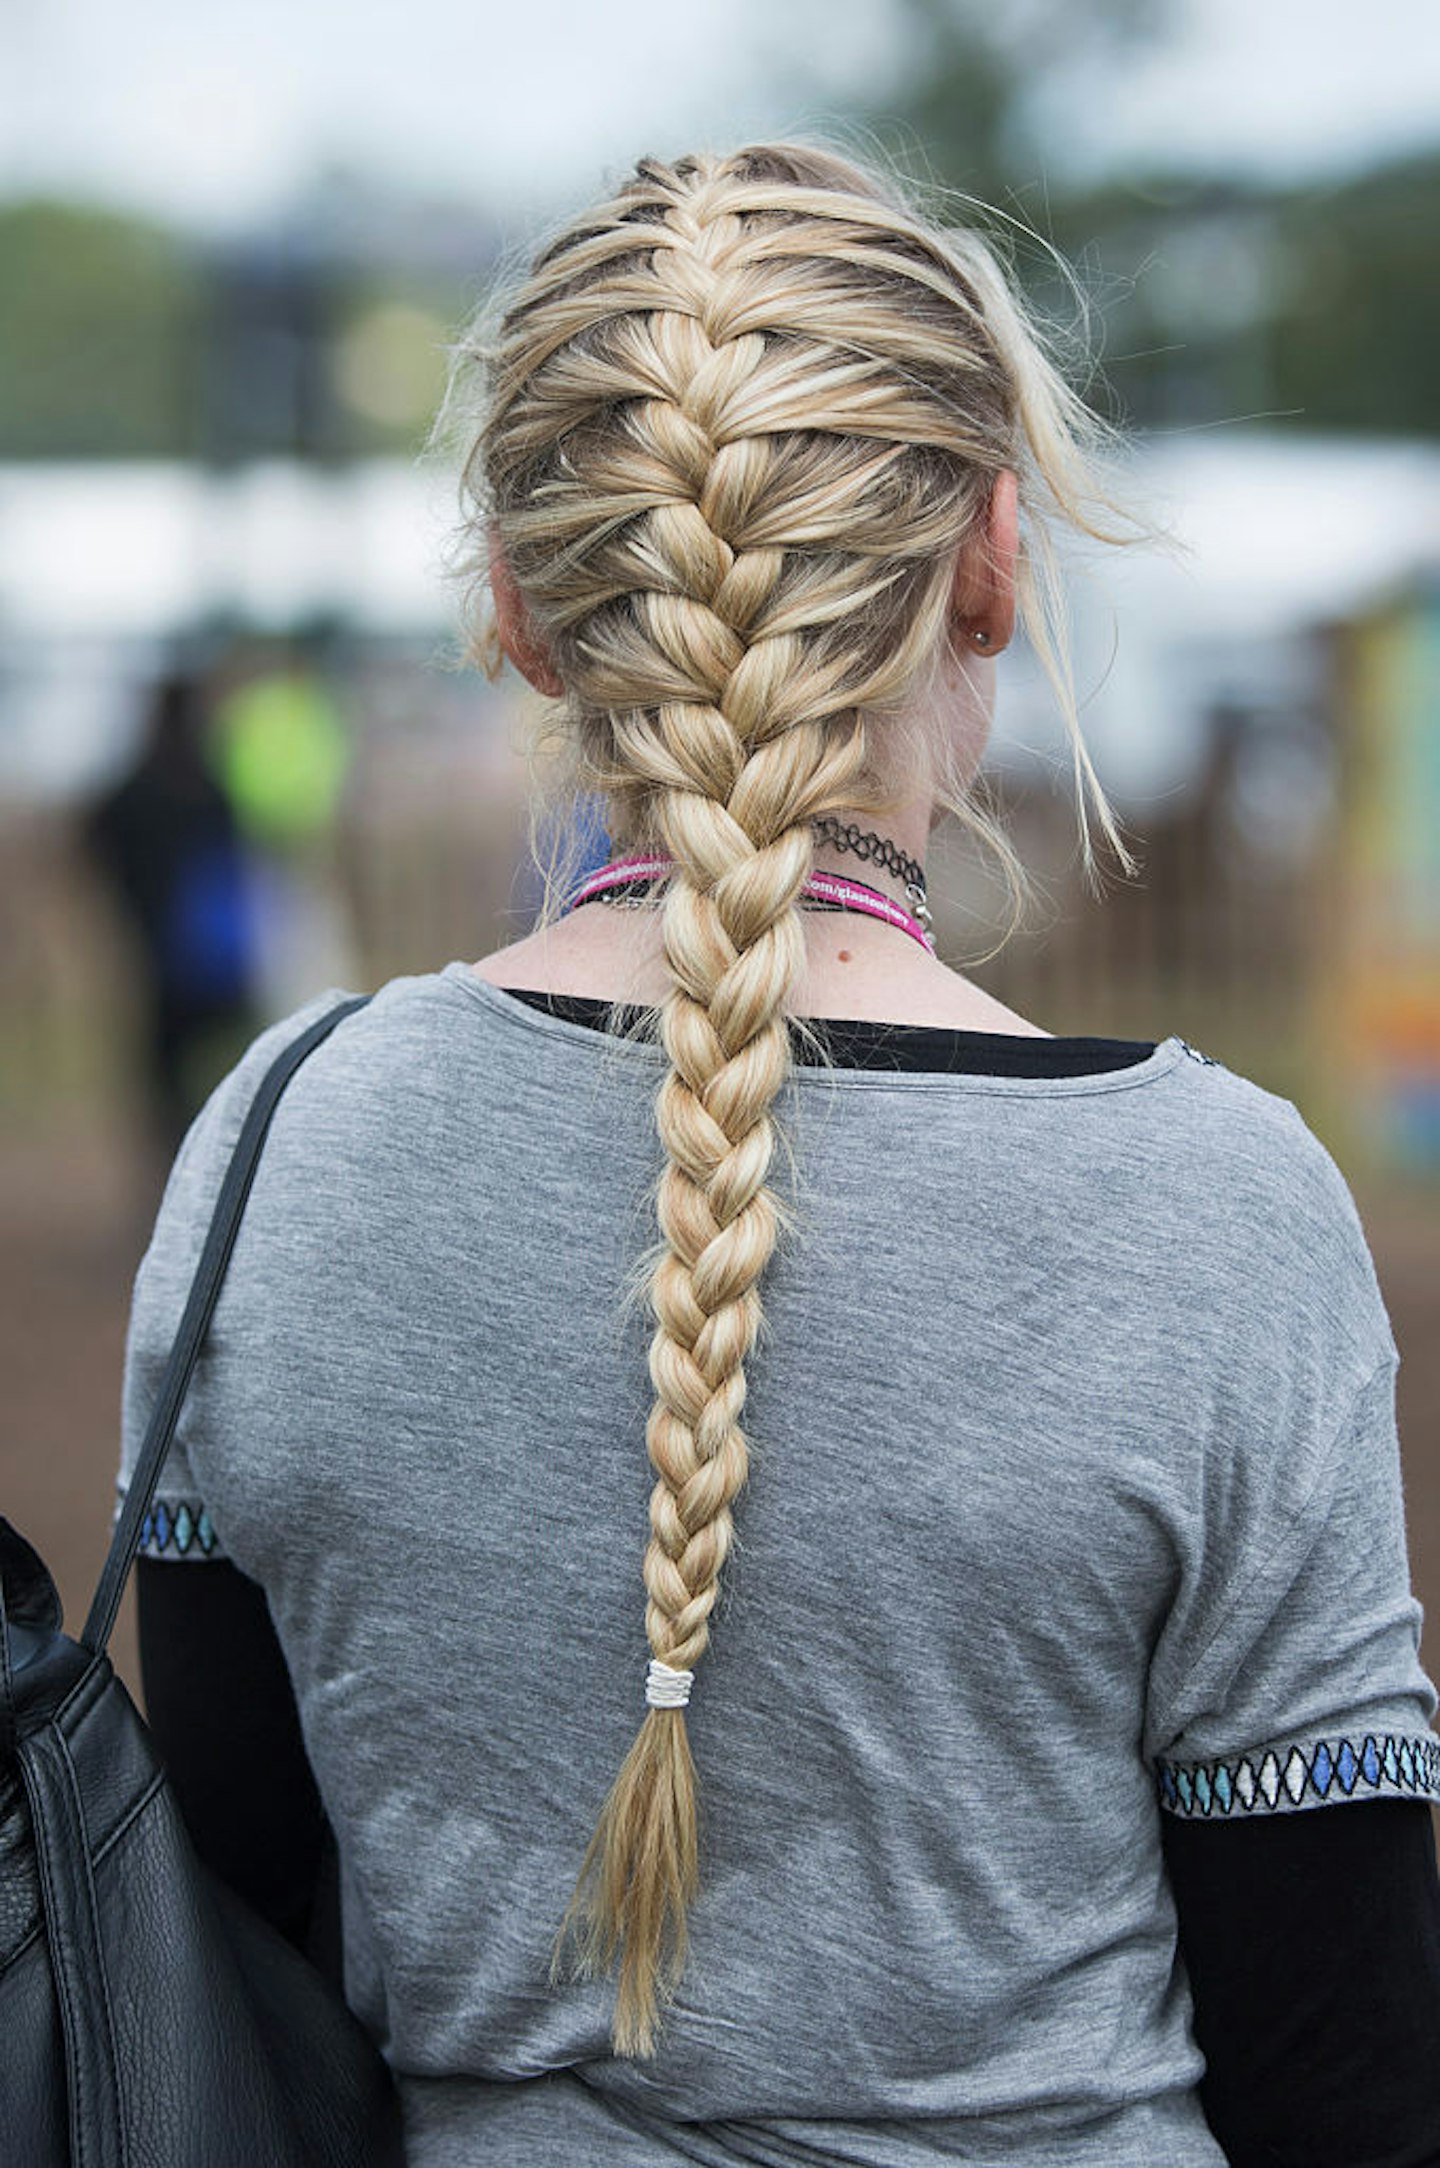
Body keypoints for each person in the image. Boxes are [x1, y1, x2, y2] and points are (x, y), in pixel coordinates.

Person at [117, 144, 1440, 2166]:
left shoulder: (277, 1147)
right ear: (993, 560)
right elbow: (1342, 2063)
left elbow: (221, 1941)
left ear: (517, 607)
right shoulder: (1217, 1212)